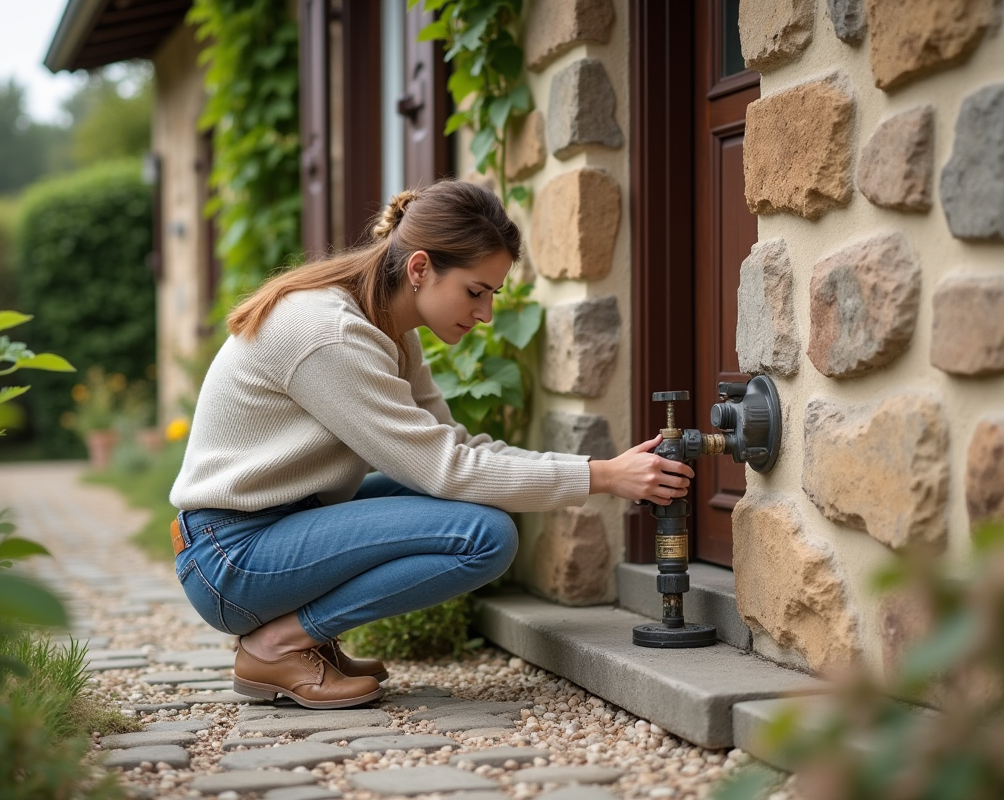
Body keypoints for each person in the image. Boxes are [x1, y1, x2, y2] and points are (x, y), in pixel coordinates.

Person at [169, 179, 694, 710]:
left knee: (456, 496)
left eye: (493, 294)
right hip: (230, 555)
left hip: (272, 527)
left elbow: (454, 446)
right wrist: (602, 477)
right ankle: (279, 643)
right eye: (475, 291)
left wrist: (595, 466)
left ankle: (299, 640)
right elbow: (447, 469)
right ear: (420, 268)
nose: (486, 313)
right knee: (483, 535)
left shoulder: (389, 329)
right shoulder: (330, 333)